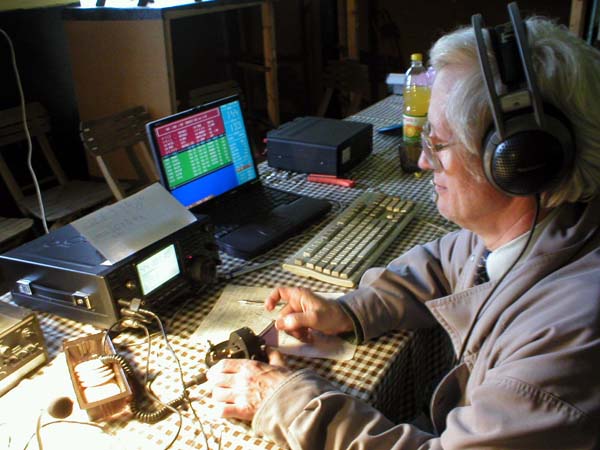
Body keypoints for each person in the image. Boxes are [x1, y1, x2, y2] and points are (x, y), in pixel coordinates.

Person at [206, 13, 600, 450]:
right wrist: (348, 311)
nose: (424, 161)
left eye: (438, 143)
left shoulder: (565, 341)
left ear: (518, 161)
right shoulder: (545, 227)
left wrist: (286, 401)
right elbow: (442, 263)